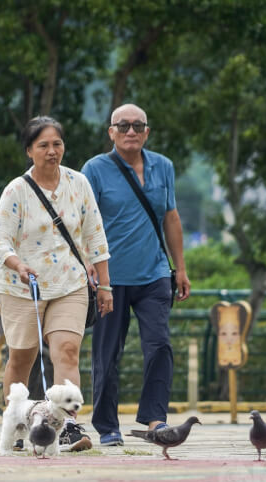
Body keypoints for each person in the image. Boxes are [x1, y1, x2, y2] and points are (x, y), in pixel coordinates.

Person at [0, 115, 112, 452]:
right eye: (43, 145)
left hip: (70, 283)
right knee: (22, 358)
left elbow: (95, 236)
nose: (51, 151)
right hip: (22, 285)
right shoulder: (16, 190)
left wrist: (105, 285)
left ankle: (68, 426)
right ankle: (17, 425)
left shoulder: (78, 184)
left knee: (67, 351)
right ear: (29, 150)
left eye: (57, 144)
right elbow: (0, 243)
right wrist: (18, 265)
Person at [81, 103, 191, 446]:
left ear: (147, 131)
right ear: (111, 132)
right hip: (110, 277)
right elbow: (83, 222)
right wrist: (90, 267)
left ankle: (156, 420)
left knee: (159, 345)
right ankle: (107, 426)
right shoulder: (94, 169)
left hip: (155, 273)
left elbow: (170, 218)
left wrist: (181, 268)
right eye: (123, 125)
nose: (131, 131)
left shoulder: (164, 166)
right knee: (107, 351)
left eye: (138, 125)